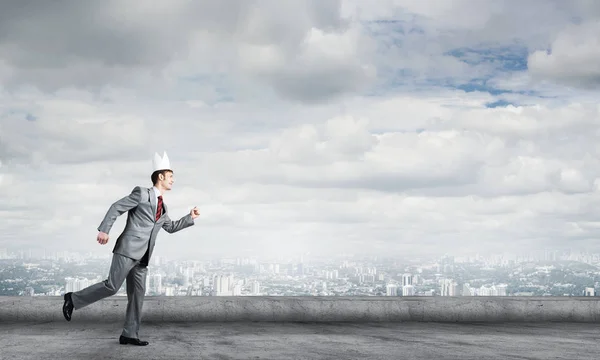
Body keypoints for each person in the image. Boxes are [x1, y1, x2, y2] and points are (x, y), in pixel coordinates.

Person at [62, 151, 200, 346]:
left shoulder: (164, 208)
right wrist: (104, 229)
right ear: (160, 176)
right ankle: (73, 299)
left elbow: (170, 227)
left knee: (137, 296)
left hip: (143, 258)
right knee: (111, 286)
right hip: (127, 250)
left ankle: (129, 334)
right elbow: (116, 207)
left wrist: (190, 217)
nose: (173, 180)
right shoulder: (142, 194)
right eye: (171, 176)